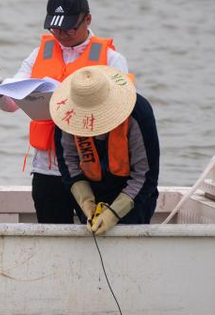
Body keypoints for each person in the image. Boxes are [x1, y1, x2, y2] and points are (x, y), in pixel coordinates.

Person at [0, 0, 129, 224]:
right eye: (55, 27)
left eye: (69, 27)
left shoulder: (112, 59)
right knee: (50, 236)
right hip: (47, 170)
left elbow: (122, 111)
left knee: (96, 234)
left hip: (92, 168)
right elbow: (13, 104)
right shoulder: (38, 54)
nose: (61, 34)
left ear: (88, 19)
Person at [52, 65, 160, 234]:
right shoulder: (65, 115)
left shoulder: (138, 112)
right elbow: (69, 165)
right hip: (91, 192)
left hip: (134, 194)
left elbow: (145, 175)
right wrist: (86, 203)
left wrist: (114, 213)